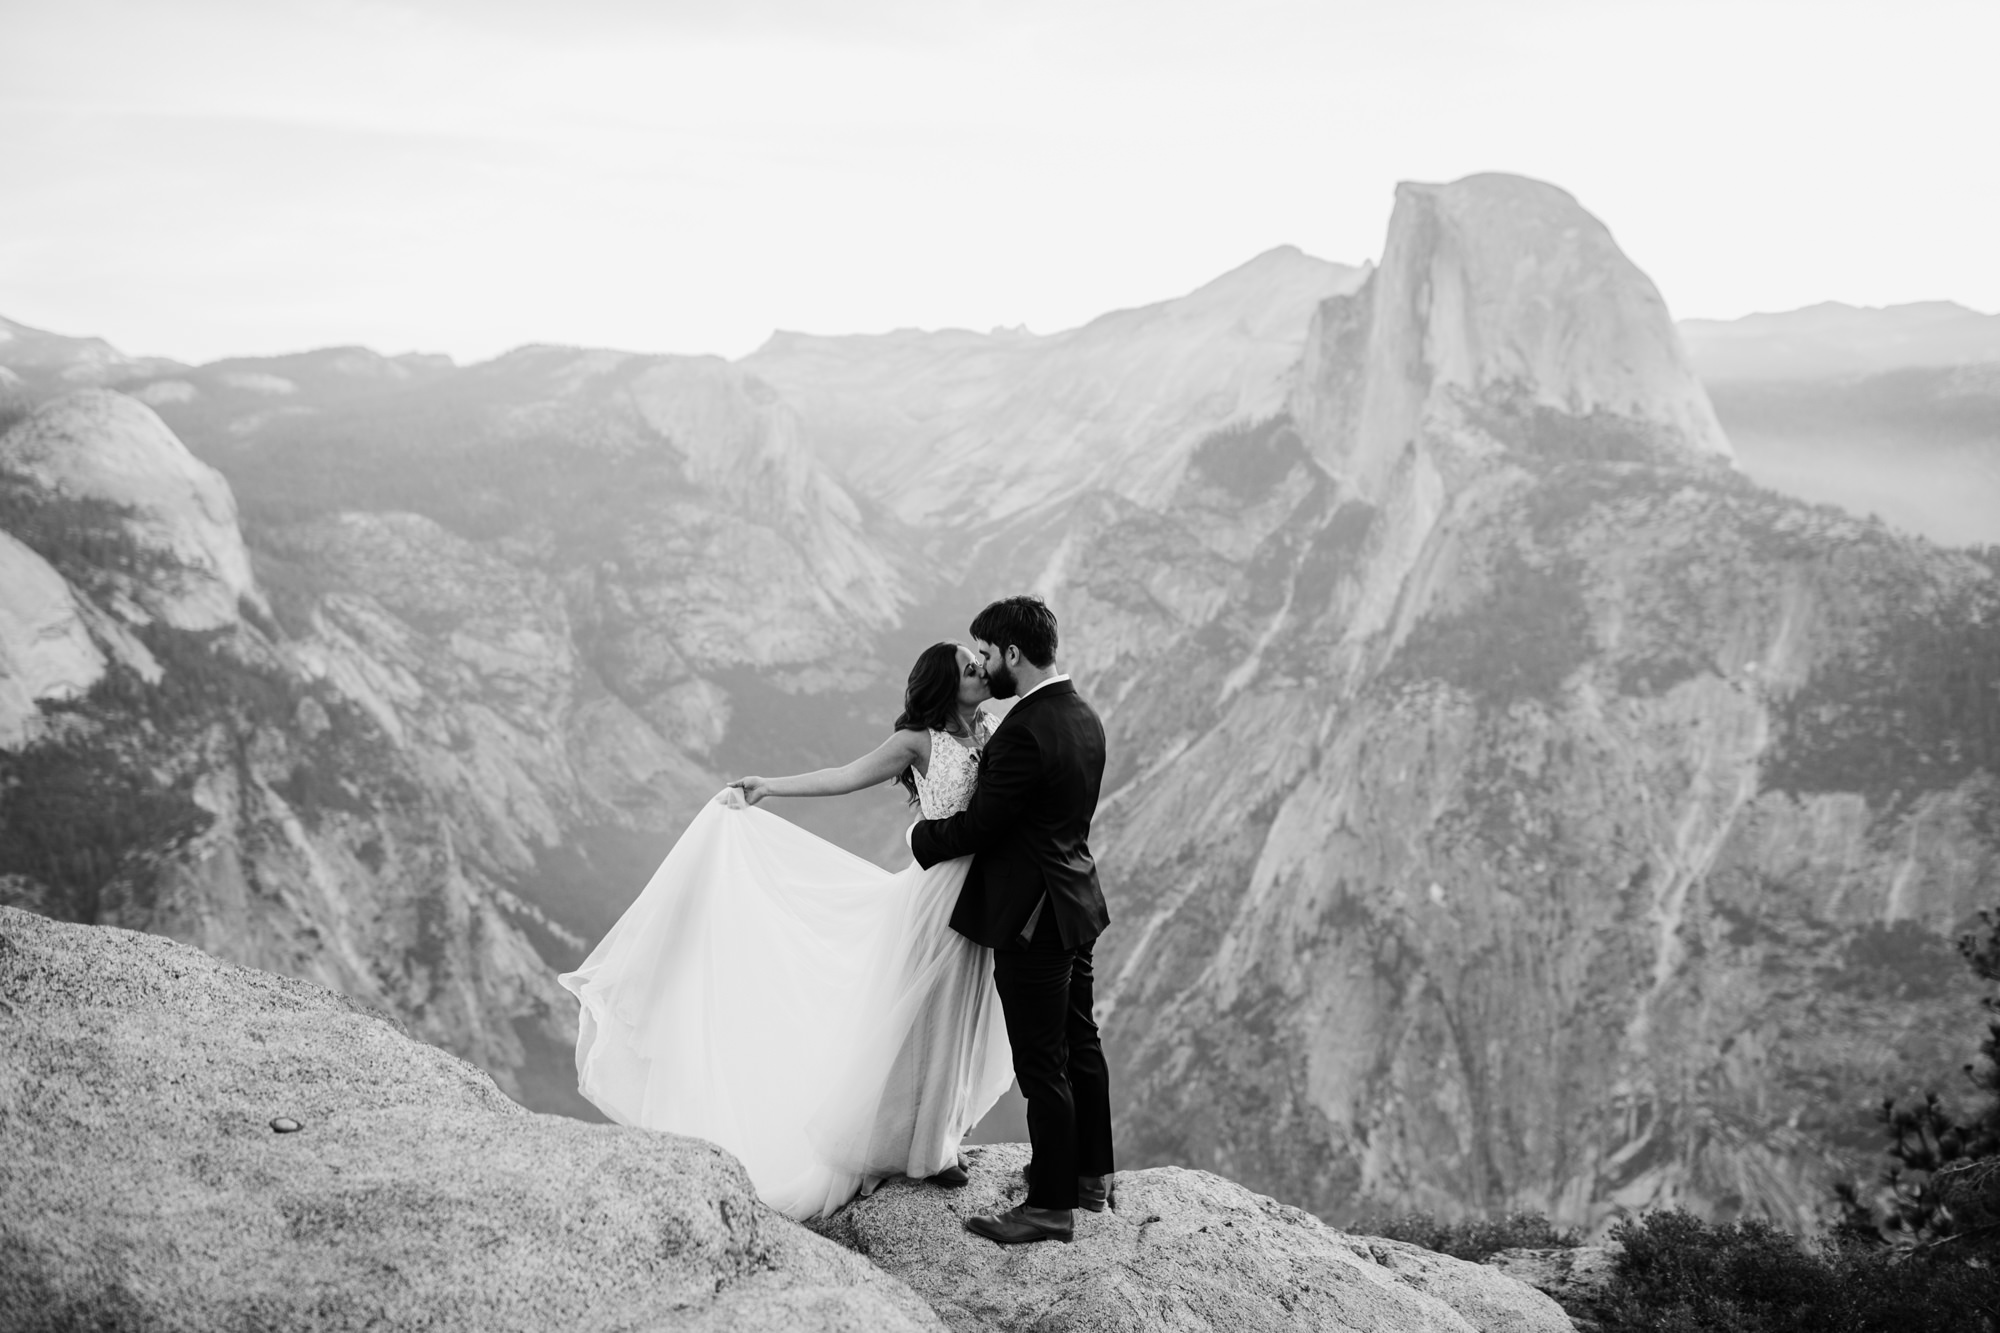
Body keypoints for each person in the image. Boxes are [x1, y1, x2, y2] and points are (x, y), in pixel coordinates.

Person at [557, 642, 1014, 1220]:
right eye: (968, 668)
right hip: (940, 895)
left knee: (965, 1016)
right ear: (945, 687)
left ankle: (938, 1138)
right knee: (927, 1019)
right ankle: (914, 1148)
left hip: (986, 893)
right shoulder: (917, 743)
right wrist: (771, 785)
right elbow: (845, 776)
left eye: (979, 663)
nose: (980, 671)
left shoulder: (994, 728)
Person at [911, 595, 1114, 1246]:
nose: (985, 664)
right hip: (1076, 901)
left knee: (1041, 1061)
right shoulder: (1082, 713)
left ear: (1013, 655)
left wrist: (921, 838)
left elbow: (982, 824)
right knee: (1082, 1044)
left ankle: (1051, 1206)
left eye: (989, 653)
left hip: (1033, 917)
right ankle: (1090, 1175)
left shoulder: (1025, 729)